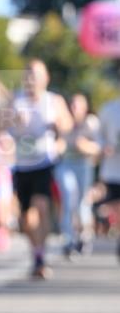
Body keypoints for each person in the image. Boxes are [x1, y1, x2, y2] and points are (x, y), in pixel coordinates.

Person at [8, 60, 72, 278]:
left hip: (45, 162)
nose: (30, 79)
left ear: (46, 78)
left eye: (35, 75)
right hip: (21, 164)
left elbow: (67, 126)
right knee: (26, 219)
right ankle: (36, 251)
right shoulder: (15, 100)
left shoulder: (53, 101)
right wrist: (13, 120)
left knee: (42, 208)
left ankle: (40, 255)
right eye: (27, 75)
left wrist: (57, 126)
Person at [54, 93, 100, 257]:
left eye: (78, 105)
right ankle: (68, 239)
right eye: (72, 104)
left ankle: (84, 236)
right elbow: (57, 142)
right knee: (68, 197)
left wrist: (85, 146)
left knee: (82, 203)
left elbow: (99, 147)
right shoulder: (63, 122)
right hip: (66, 164)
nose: (74, 108)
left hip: (83, 165)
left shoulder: (91, 123)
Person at [98, 94, 120, 261]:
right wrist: (104, 147)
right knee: (116, 206)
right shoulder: (109, 108)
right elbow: (98, 135)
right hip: (114, 170)